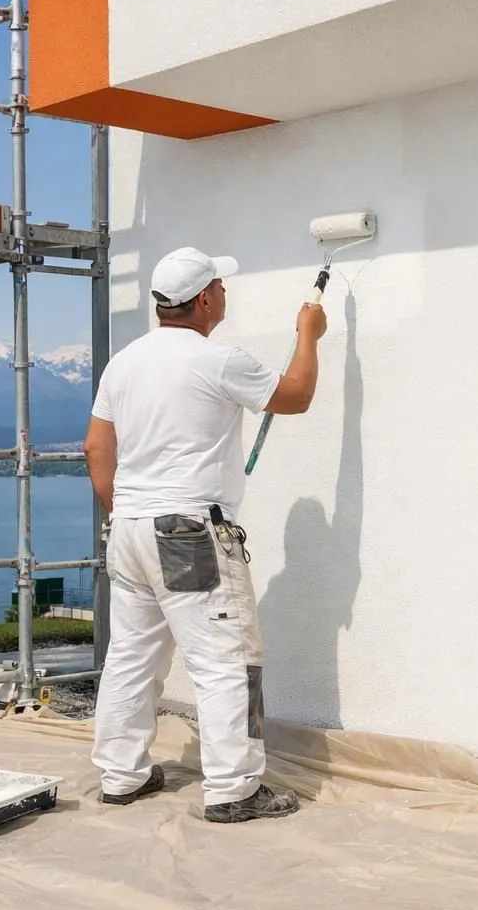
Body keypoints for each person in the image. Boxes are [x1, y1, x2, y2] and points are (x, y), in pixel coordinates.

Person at [83, 245, 328, 823]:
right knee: (226, 662)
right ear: (201, 301)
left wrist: (128, 512)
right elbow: (296, 396)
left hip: (129, 532)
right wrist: (309, 333)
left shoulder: (125, 363)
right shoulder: (217, 360)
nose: (225, 293)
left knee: (131, 657)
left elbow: (97, 449)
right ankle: (234, 789)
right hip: (186, 533)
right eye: (219, 285)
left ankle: (122, 777)